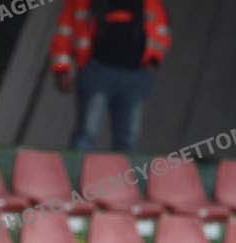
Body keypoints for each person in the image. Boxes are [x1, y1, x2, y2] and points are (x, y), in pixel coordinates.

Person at [50, 0, 172, 153]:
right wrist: (61, 69)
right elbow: (64, 32)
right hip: (97, 72)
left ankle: (121, 170)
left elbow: (162, 31)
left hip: (135, 76)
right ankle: (77, 168)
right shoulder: (80, 2)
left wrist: (154, 59)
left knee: (128, 140)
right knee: (86, 134)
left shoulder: (151, 3)